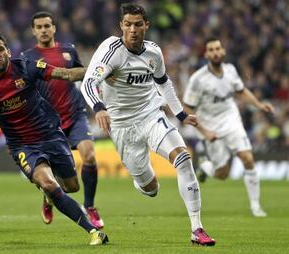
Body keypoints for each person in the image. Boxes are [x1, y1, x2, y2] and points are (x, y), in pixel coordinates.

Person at [80, 3, 215, 246]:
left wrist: (181, 113)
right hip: (122, 127)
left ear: (146, 26)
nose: (133, 29)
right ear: (121, 25)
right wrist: (99, 108)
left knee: (184, 160)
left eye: (138, 24)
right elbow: (88, 83)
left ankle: (197, 228)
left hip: (151, 115)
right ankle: (142, 181)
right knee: (150, 189)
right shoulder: (111, 51)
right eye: (128, 24)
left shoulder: (154, 52)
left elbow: (163, 82)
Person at [0, 33, 108, 245]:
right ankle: (93, 231)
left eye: (0, 49)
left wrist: (99, 73)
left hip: (51, 134)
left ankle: (49, 197)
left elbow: (65, 74)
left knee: (72, 187)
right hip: (23, 145)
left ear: (8, 51)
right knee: (48, 183)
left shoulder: (26, 67)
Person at [20, 11, 104, 228]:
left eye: (47, 25)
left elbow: (82, 74)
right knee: (63, 181)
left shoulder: (68, 50)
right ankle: (49, 196)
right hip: (47, 123)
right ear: (33, 31)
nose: (44, 30)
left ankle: (90, 206)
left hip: (75, 114)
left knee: (90, 155)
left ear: (54, 28)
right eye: (39, 27)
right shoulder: (27, 57)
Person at [183, 37, 274, 217]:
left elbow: (241, 92)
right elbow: (187, 108)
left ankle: (255, 206)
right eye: (211, 50)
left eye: (218, 48)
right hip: (211, 128)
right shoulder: (198, 79)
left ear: (223, 51)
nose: (216, 52)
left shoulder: (231, 70)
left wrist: (259, 105)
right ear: (206, 54)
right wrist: (204, 131)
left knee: (248, 158)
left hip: (232, 121)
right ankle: (207, 168)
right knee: (222, 174)